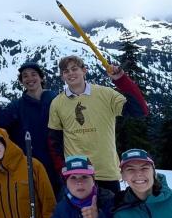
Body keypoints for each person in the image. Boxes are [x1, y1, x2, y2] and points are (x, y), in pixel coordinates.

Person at [48, 55, 148, 192]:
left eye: (74, 68)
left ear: (84, 70)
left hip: (106, 173)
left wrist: (121, 80)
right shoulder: (57, 103)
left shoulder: (105, 94)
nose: (70, 73)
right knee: (81, 214)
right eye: (66, 71)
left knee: (110, 213)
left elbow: (140, 110)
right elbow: (54, 141)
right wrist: (62, 169)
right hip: (77, 174)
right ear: (62, 76)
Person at [0, 61, 60, 194]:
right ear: (21, 81)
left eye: (34, 74)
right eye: (25, 76)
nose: (30, 78)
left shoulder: (55, 99)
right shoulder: (17, 106)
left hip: (57, 162)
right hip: (31, 165)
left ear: (41, 78)